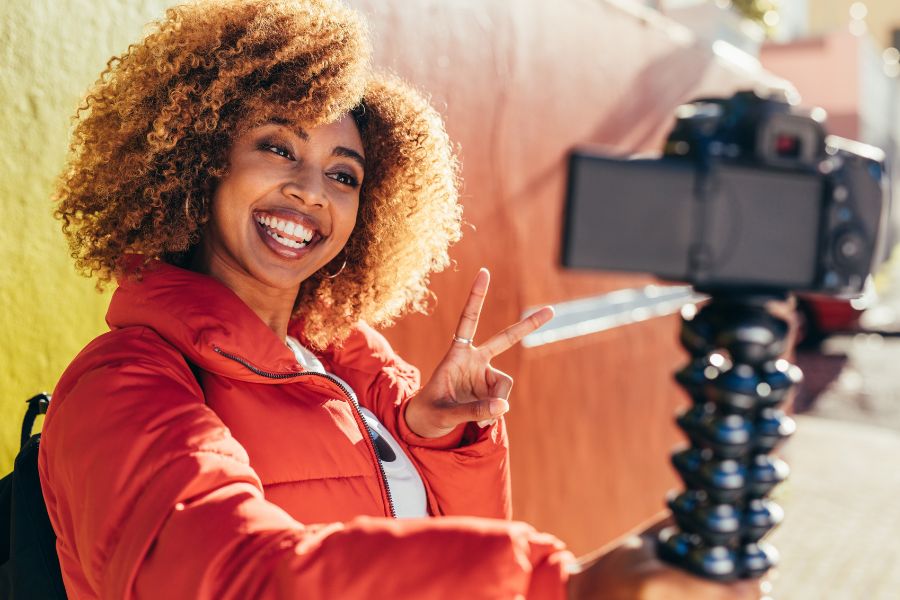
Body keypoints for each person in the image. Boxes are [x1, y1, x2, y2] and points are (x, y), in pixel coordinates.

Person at [40, 0, 763, 598]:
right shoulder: (123, 383)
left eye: (345, 175)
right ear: (198, 162)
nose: (311, 191)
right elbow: (231, 578)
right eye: (278, 148)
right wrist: (561, 590)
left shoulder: (352, 367)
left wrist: (442, 443)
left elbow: (442, 548)